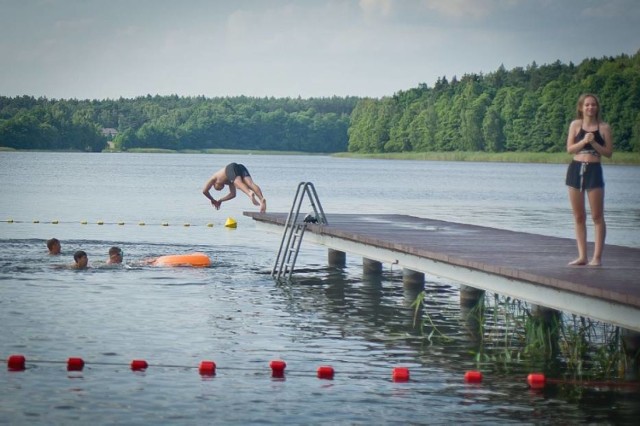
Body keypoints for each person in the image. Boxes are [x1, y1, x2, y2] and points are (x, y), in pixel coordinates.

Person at [565, 93, 613, 266]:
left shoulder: (604, 127)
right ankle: (582, 256)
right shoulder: (576, 125)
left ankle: (597, 258)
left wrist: (593, 143)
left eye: (593, 105)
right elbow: (570, 149)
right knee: (579, 216)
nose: (590, 107)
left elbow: (608, 153)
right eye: (587, 105)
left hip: (594, 170)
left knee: (597, 216)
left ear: (597, 107)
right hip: (576, 169)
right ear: (581, 107)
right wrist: (584, 140)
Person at [203, 163, 267, 213]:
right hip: (240, 167)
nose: (220, 189)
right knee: (250, 184)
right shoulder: (229, 181)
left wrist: (212, 199)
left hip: (231, 167)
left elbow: (204, 191)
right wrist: (220, 200)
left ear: (214, 184)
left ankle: (249, 193)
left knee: (238, 183)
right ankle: (261, 199)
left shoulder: (214, 178)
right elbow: (233, 194)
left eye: (217, 188)